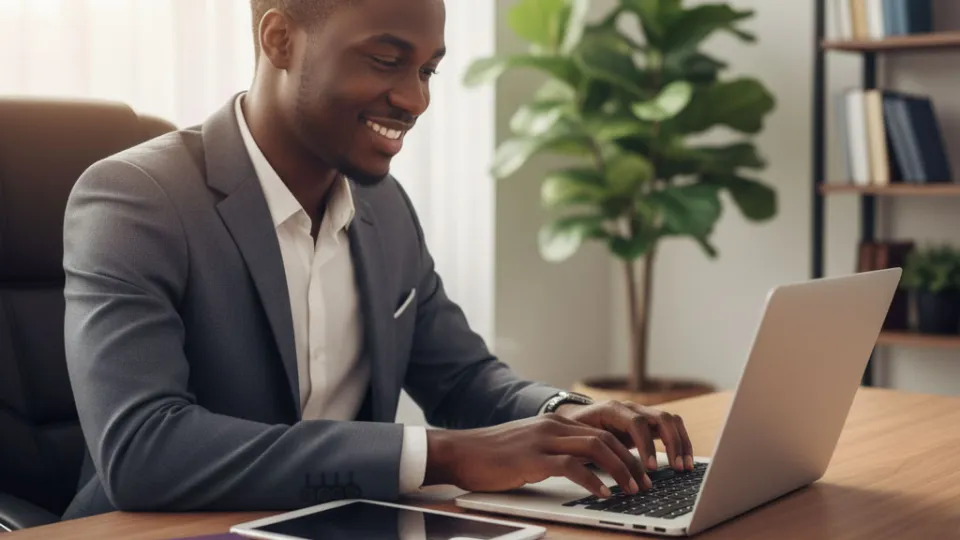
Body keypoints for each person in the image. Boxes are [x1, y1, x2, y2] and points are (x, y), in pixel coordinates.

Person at [61, 0, 694, 520]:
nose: (416, 100)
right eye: (387, 61)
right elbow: (143, 451)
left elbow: (462, 378)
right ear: (279, 40)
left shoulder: (384, 208)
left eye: (427, 71)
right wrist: (439, 455)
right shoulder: (136, 199)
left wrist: (561, 413)